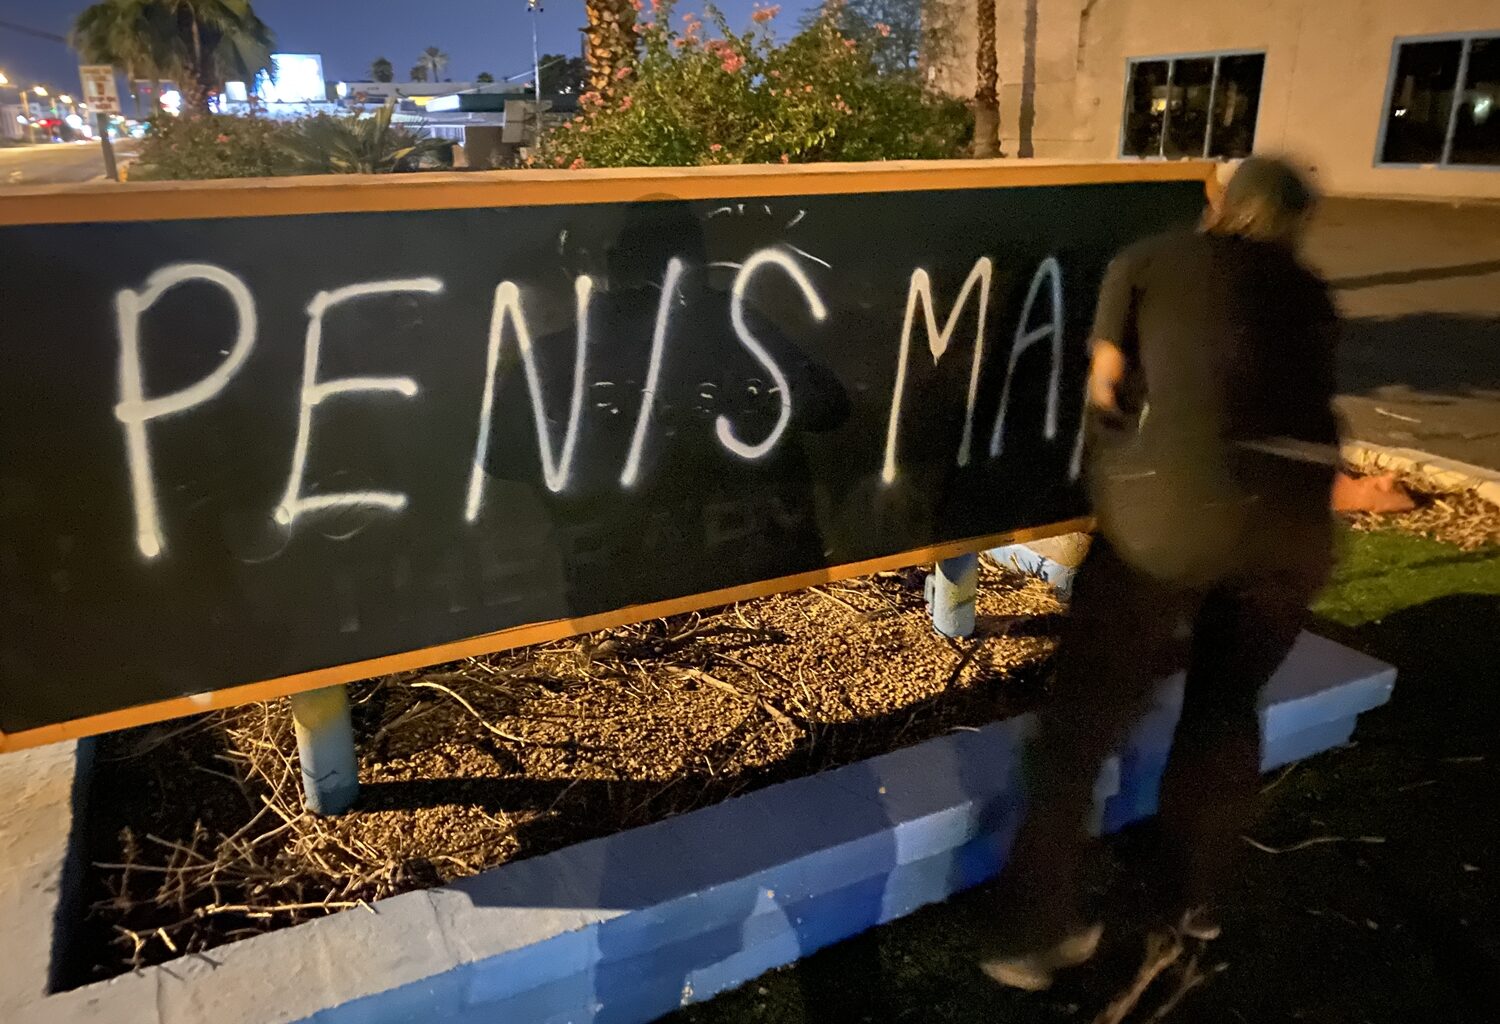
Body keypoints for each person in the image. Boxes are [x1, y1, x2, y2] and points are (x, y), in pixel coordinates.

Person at [980, 157, 1343, 991]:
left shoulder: (1149, 260)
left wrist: (1119, 470)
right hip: (1292, 532)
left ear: (1224, 204)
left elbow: (1107, 388)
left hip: (1171, 520)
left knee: (1082, 723)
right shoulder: (1310, 293)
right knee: (1225, 710)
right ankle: (1192, 897)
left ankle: (1030, 929)